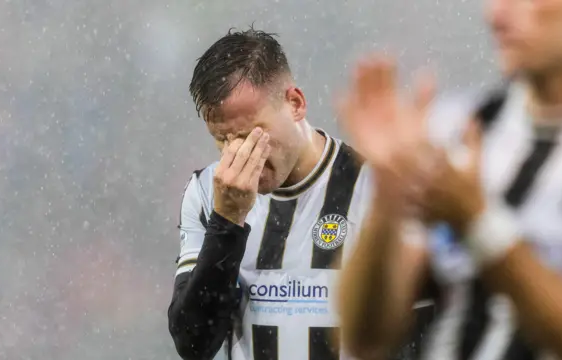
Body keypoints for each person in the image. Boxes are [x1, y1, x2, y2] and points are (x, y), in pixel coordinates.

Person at [167, 27, 434, 360]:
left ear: (295, 103)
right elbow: (194, 344)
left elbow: (421, 331)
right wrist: (227, 222)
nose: (239, 153)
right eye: (223, 139)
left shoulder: (376, 185)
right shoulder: (207, 193)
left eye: (251, 134)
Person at [336, 0, 562, 359]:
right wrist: (387, 203)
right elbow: (366, 337)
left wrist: (478, 223)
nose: (496, 15)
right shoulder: (464, 128)